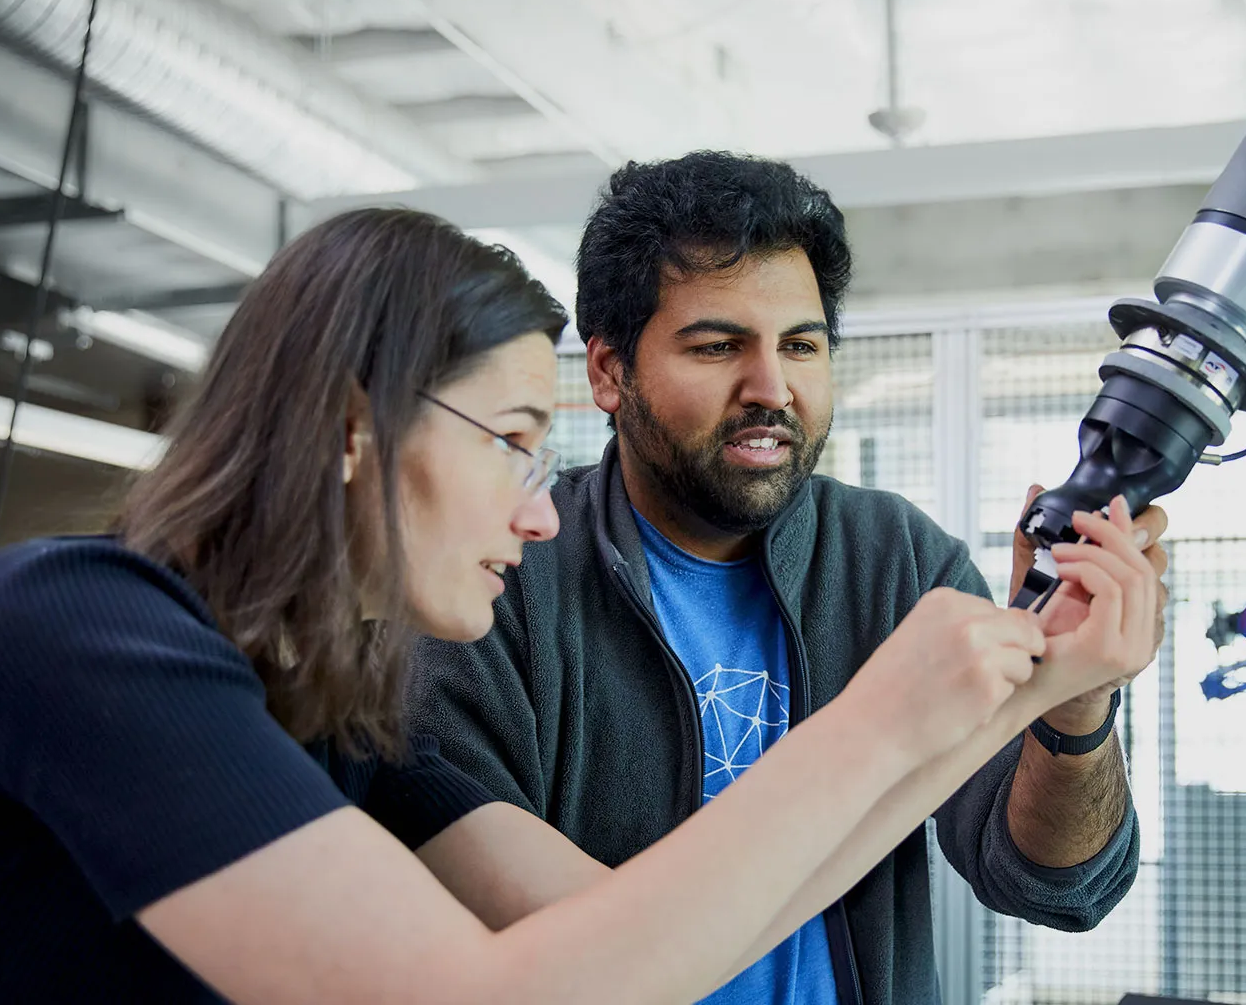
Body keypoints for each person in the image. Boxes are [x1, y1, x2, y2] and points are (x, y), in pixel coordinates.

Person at [0, 209, 1157, 1004]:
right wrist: (873, 724)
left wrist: (1030, 690)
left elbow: (635, 941)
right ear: (357, 432)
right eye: (511, 442)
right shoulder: (75, 633)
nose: (542, 512)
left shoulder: (326, 714)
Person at [406, 152, 1171, 1005]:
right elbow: (554, 951)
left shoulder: (897, 562)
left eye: (801, 346)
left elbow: (1054, 887)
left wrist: (1071, 705)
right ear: (609, 372)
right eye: (718, 345)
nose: (771, 387)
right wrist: (883, 727)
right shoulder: (493, 584)